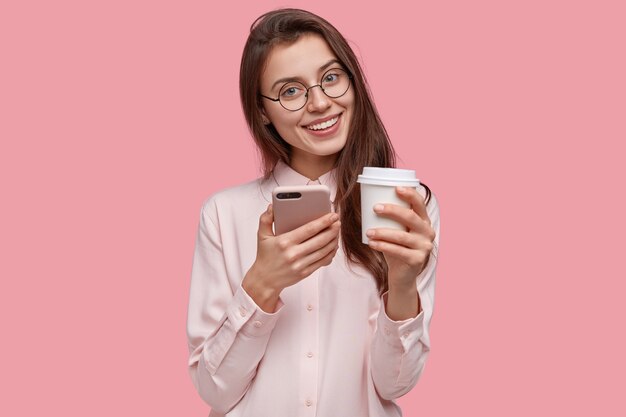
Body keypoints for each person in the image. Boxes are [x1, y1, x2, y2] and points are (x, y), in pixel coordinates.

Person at [187, 8, 440, 417]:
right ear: (263, 112)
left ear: (352, 80)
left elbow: (394, 384)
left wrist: (404, 282)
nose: (320, 102)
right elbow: (215, 391)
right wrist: (262, 286)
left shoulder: (407, 206)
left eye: (331, 78)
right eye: (290, 91)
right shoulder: (224, 213)